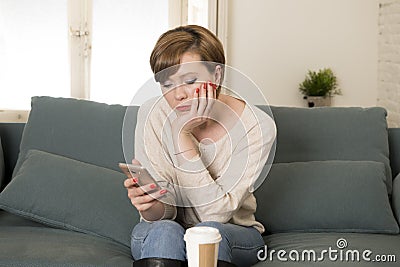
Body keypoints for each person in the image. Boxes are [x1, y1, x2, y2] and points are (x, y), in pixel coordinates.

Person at [123, 25, 276, 267]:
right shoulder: (153, 114)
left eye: (190, 81)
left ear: (216, 76)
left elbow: (214, 215)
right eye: (167, 84)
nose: (178, 95)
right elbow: (165, 214)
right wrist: (151, 205)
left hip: (231, 232)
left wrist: (183, 136)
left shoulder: (257, 126)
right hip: (163, 231)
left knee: (208, 232)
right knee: (165, 231)